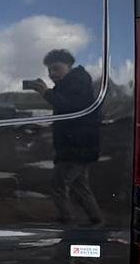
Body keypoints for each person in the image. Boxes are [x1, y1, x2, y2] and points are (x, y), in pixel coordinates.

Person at [30, 49, 104, 226]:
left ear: (69, 67)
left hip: (76, 148)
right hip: (79, 147)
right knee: (80, 186)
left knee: (58, 185)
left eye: (56, 69)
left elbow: (69, 107)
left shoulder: (77, 83)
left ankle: (67, 219)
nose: (52, 74)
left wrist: (46, 93)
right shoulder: (72, 83)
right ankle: (96, 219)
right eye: (49, 70)